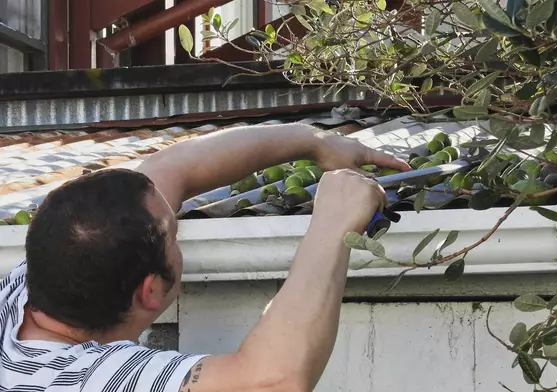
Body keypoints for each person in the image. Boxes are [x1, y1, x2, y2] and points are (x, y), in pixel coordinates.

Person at [0, 123, 411, 392]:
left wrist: (318, 143)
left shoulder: (32, 284)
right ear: (151, 291)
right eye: (173, 236)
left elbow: (172, 167)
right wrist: (335, 222)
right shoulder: (82, 379)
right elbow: (273, 381)